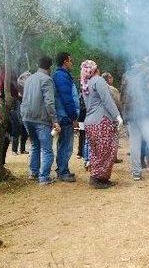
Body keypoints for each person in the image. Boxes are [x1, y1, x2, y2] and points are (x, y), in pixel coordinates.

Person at [80, 60, 122, 188]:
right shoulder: (99, 81)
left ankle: (100, 178)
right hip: (101, 121)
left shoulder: (86, 83)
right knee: (107, 150)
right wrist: (117, 116)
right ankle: (98, 179)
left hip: (90, 122)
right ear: (95, 69)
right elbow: (107, 100)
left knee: (96, 151)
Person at [20, 56, 60, 185]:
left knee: (35, 145)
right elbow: (49, 102)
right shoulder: (47, 79)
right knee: (47, 148)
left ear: (38, 64)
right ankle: (44, 177)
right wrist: (54, 120)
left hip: (26, 117)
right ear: (50, 67)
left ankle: (34, 173)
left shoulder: (29, 79)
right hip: (41, 118)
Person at [52, 52, 78, 182]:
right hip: (65, 115)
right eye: (70, 61)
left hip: (62, 114)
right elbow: (67, 99)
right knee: (66, 145)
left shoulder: (60, 75)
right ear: (65, 61)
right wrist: (73, 116)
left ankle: (62, 169)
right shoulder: (61, 76)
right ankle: (63, 172)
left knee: (63, 144)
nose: (72, 63)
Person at [101, 72, 123, 163]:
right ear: (107, 79)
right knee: (114, 137)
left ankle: (106, 157)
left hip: (102, 117)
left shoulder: (99, 88)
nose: (112, 79)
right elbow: (118, 101)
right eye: (110, 78)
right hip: (112, 116)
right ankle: (113, 157)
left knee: (104, 137)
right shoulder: (112, 89)